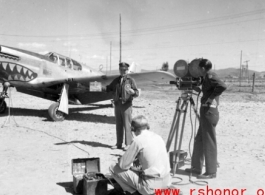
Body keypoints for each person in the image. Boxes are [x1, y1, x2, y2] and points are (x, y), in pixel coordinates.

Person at [185, 58, 227, 179]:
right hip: (206, 111)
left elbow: (222, 86)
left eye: (198, 68)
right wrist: (195, 88)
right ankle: (196, 167)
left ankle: (211, 172)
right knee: (199, 140)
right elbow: (208, 90)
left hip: (209, 112)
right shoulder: (207, 77)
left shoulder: (210, 75)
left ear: (203, 68)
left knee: (209, 141)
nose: (197, 70)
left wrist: (210, 97)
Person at [109, 115, 173, 195]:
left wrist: (122, 160)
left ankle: (133, 193)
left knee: (113, 167)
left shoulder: (138, 140)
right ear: (147, 126)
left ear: (133, 129)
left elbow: (123, 166)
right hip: (167, 182)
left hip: (151, 187)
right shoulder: (158, 137)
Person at [104, 62, 139, 150]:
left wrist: (133, 92)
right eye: (121, 70)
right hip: (117, 104)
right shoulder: (116, 80)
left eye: (124, 70)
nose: (123, 71)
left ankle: (128, 144)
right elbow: (108, 88)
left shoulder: (130, 80)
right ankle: (118, 144)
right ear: (119, 70)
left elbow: (137, 92)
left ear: (127, 70)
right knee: (118, 125)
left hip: (126, 105)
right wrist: (92, 86)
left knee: (127, 125)